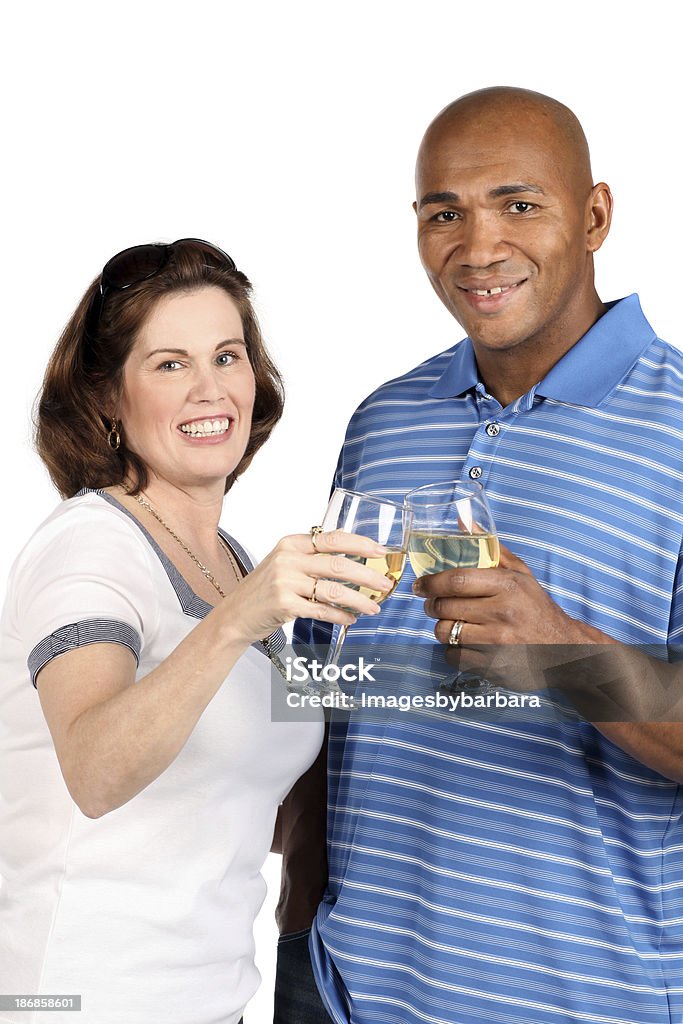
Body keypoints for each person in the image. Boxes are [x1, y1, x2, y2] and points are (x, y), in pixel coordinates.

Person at [283, 88, 683, 1023]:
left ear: (594, 216)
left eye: (519, 204)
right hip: (346, 987)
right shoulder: (383, 420)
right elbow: (321, 683)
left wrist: (563, 653)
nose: (477, 246)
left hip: (587, 999)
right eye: (443, 213)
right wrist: (299, 908)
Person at [0, 238, 394, 1024]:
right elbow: (95, 771)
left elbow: (242, 799)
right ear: (108, 397)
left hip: (209, 1001)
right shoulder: (90, 543)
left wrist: (528, 681)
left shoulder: (230, 558)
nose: (210, 389)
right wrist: (239, 617)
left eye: (228, 355)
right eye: (169, 364)